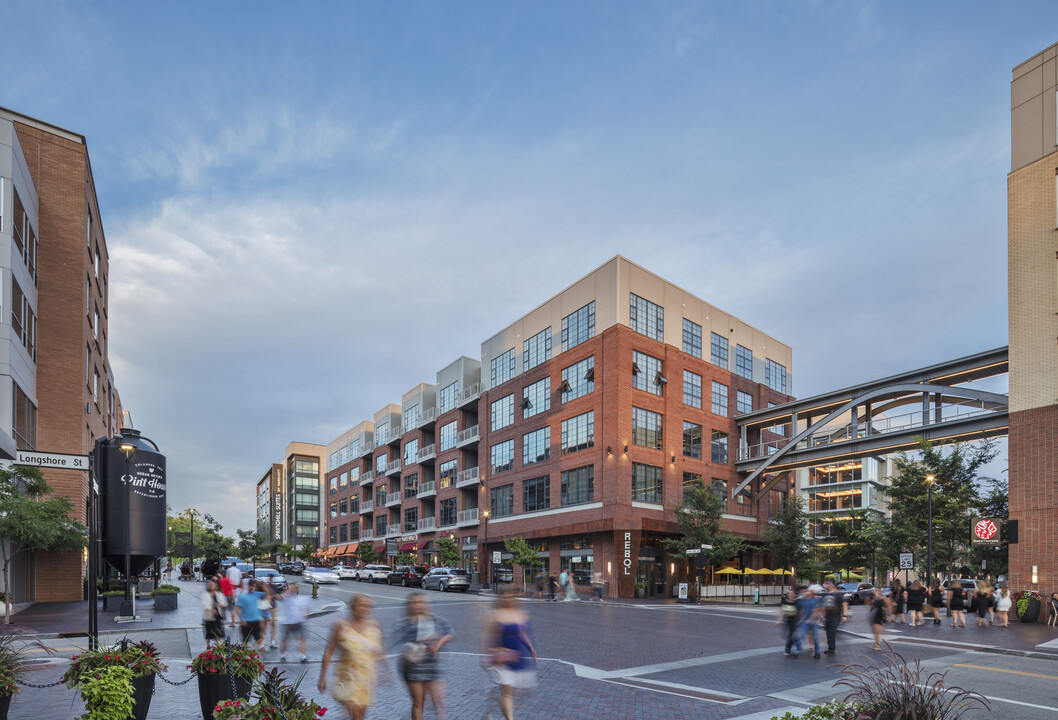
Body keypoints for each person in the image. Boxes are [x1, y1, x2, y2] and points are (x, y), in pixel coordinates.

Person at [319, 594, 389, 720]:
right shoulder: (340, 625)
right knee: (357, 715)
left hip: (366, 679)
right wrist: (322, 677)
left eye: (367, 606)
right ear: (352, 606)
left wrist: (387, 670)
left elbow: (381, 649)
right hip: (347, 678)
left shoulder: (374, 626)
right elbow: (329, 650)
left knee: (360, 714)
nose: (364, 608)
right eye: (361, 605)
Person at [391, 593, 454, 720]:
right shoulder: (404, 623)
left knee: (440, 702)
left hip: (431, 668)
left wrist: (438, 643)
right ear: (410, 605)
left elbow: (450, 633)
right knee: (419, 702)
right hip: (412, 668)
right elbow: (400, 645)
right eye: (415, 602)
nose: (418, 605)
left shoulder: (434, 619)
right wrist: (422, 641)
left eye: (421, 602)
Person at [484, 586, 537, 720]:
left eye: (512, 597)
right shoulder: (494, 614)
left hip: (517, 658)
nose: (510, 600)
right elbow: (488, 638)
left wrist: (531, 648)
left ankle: (497, 699)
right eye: (506, 597)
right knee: (507, 693)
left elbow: (522, 633)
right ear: (501, 598)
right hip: (502, 660)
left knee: (517, 692)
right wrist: (491, 652)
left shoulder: (520, 613)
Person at [279, 583, 309, 662]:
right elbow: (281, 597)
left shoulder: (302, 598)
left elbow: (305, 609)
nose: (295, 589)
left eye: (296, 588)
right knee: (285, 640)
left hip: (299, 622)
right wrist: (290, 589)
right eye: (293, 588)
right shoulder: (286, 597)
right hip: (288, 623)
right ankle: (283, 656)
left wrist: (305, 615)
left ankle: (303, 657)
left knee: (302, 639)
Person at [234, 579, 266, 647]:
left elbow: (267, 593)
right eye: (251, 586)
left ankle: (264, 656)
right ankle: (243, 656)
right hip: (246, 622)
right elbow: (237, 608)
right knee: (245, 642)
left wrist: (262, 584)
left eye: (254, 586)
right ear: (248, 586)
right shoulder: (243, 596)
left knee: (258, 640)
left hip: (256, 621)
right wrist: (241, 619)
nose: (252, 588)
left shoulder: (257, 594)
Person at [795, 585, 823, 659]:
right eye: (807, 591)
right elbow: (802, 611)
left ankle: (817, 652)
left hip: (812, 622)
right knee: (801, 636)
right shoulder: (803, 601)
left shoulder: (816, 600)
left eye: (809, 591)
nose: (807, 592)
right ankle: (797, 649)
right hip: (806, 621)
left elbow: (817, 611)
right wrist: (800, 620)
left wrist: (812, 619)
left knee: (815, 638)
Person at [821, 580, 848, 654]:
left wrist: (844, 616)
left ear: (832, 585)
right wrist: (822, 616)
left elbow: (844, 604)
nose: (826, 585)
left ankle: (831, 649)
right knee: (829, 633)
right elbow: (823, 606)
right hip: (827, 617)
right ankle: (831, 648)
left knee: (831, 632)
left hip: (835, 617)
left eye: (828, 584)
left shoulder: (839, 594)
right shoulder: (825, 594)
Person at [201, 579, 228, 648]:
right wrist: (211, 609)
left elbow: (225, 603)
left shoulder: (219, 594)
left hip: (217, 617)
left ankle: (220, 646)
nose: (212, 586)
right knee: (208, 633)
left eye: (214, 585)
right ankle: (208, 646)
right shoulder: (205, 595)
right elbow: (204, 604)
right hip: (209, 617)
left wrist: (220, 605)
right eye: (210, 585)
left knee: (218, 633)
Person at [777, 589, 799, 657]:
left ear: (794, 594)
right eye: (788, 593)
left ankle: (788, 649)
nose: (789, 594)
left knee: (791, 635)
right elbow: (782, 611)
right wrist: (779, 620)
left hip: (796, 621)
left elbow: (800, 612)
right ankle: (791, 646)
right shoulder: (785, 602)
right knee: (787, 635)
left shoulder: (797, 602)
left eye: (791, 593)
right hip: (788, 620)